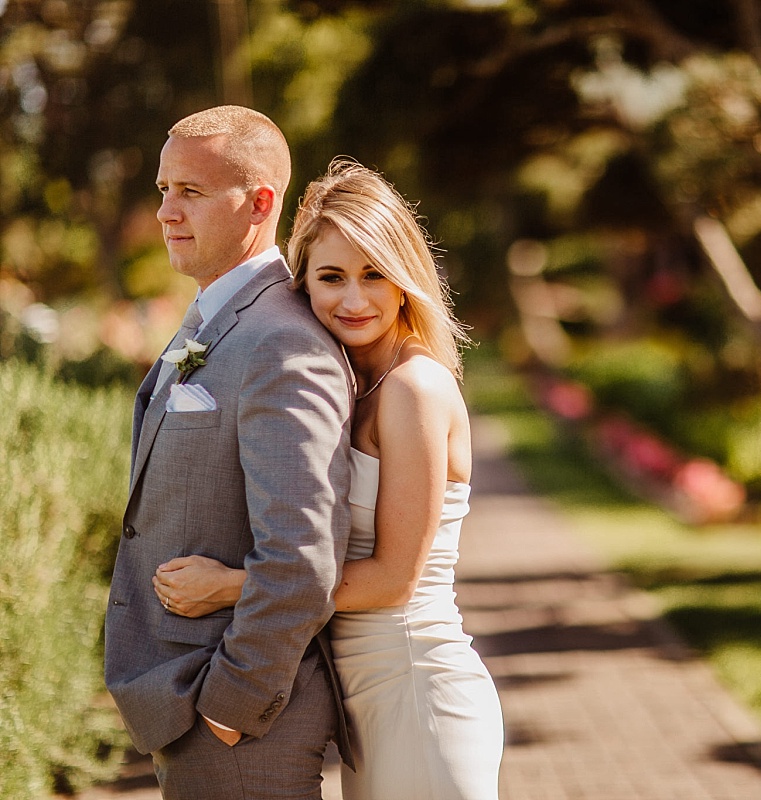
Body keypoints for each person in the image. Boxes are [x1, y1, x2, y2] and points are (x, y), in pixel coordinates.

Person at [153, 158, 505, 800]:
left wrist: (232, 586)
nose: (353, 298)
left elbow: (396, 579)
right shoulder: (346, 382)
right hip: (363, 697)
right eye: (331, 276)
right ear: (304, 285)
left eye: (374, 275)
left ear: (404, 282)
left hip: (414, 686)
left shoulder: (414, 388)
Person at [103, 105, 354, 800]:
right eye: (162, 190)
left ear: (260, 203)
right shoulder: (222, 318)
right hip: (184, 702)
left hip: (236, 718)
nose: (165, 212)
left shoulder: (281, 340)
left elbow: (302, 556)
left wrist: (229, 706)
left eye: (191, 191)